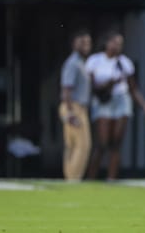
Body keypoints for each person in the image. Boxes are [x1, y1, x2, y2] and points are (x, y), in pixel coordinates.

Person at [85, 32, 145, 180]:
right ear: (107, 43)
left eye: (120, 44)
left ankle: (111, 178)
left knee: (116, 143)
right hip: (103, 101)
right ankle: (91, 177)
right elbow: (92, 86)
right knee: (102, 142)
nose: (117, 46)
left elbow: (133, 88)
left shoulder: (124, 63)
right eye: (114, 42)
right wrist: (110, 83)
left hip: (121, 100)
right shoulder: (95, 60)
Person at [59, 30, 92, 181]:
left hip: (77, 106)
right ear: (74, 44)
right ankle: (73, 177)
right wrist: (70, 112)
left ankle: (71, 176)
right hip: (73, 106)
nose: (86, 46)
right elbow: (67, 88)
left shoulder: (81, 63)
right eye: (82, 42)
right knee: (82, 144)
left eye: (88, 43)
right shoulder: (73, 63)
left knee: (72, 144)